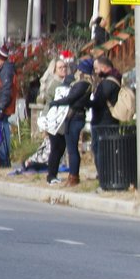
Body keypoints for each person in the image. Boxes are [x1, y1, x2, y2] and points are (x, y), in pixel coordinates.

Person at [45, 58, 93, 187]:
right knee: (69, 148)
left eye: (78, 69)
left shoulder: (83, 83)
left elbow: (71, 98)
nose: (76, 71)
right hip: (72, 117)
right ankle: (71, 176)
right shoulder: (81, 82)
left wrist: (56, 103)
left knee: (72, 149)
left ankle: (73, 177)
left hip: (75, 117)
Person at [90, 56, 121, 178]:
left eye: (96, 68)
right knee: (104, 149)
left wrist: (85, 103)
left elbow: (99, 101)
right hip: (107, 120)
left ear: (104, 67)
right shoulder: (114, 79)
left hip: (104, 121)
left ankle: (104, 175)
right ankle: (105, 173)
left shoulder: (108, 83)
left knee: (101, 149)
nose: (96, 72)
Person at [0, 45, 16, 167]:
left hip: (1, 109)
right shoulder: (1, 69)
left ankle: (4, 163)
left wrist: (0, 108)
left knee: (1, 136)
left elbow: (7, 90)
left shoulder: (6, 70)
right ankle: (2, 161)